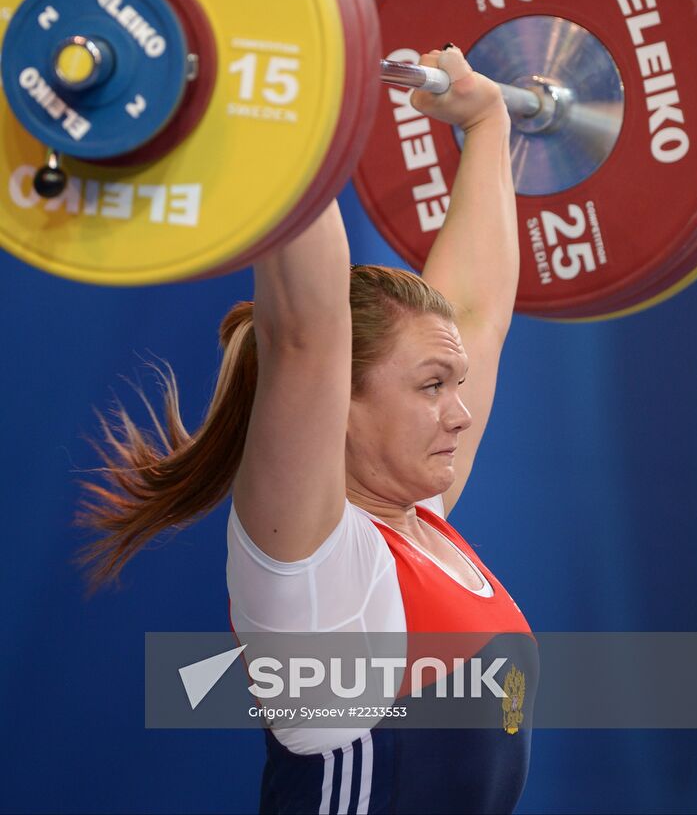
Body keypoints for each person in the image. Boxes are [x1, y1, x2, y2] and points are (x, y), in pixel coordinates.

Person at [78, 46, 537, 814]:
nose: (460, 410)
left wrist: (487, 125)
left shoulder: (421, 521)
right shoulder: (321, 575)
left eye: (453, 383)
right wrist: (283, 104)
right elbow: (306, 330)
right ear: (337, 405)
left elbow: (481, 315)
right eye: (431, 386)